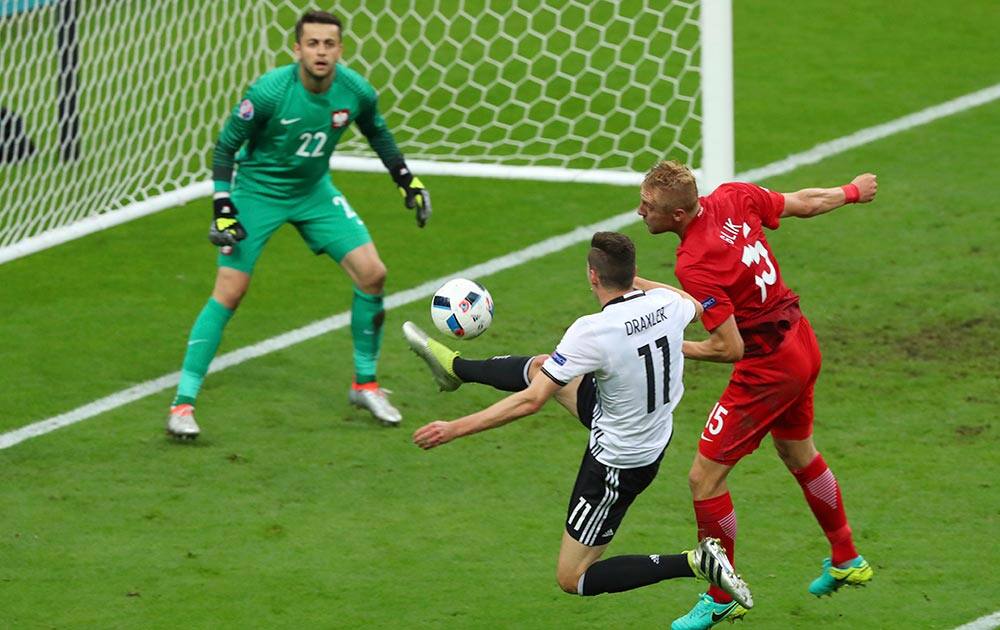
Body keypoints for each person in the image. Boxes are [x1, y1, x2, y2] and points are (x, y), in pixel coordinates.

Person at [406, 232, 754, 613]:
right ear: (633, 272)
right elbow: (692, 303)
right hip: (647, 427)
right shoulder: (669, 304)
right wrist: (636, 282)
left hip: (617, 463)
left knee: (573, 577)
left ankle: (694, 561)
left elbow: (530, 401)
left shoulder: (592, 331)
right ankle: (456, 369)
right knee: (545, 367)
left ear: (593, 276)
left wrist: (454, 429)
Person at [166, 10, 431, 438]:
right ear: (298, 49)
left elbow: (378, 133)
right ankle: (182, 405)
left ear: (340, 50)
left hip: (313, 191)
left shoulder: (355, 90)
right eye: (313, 44)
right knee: (230, 291)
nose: (321, 52)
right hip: (256, 192)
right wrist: (222, 205)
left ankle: (365, 384)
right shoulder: (270, 92)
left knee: (373, 274)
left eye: (329, 44)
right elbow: (226, 146)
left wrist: (407, 181)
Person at [637, 161, 877, 629]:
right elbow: (804, 202)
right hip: (802, 342)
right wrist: (850, 191)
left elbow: (729, 348)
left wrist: (667, 345)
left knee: (703, 480)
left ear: (679, 214)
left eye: (648, 207)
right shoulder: (733, 196)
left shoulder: (694, 262)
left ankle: (719, 594)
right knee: (797, 451)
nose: (640, 211)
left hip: (768, 367)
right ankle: (847, 555)